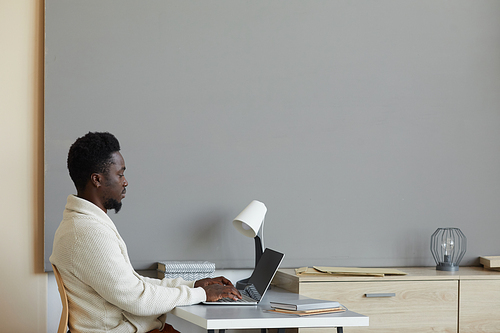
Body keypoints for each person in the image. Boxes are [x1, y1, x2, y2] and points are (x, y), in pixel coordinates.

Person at [50, 132, 241, 333]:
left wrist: (193, 284)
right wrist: (202, 294)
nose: (125, 182)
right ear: (97, 179)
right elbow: (138, 299)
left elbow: (133, 284)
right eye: (120, 174)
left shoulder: (82, 223)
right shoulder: (87, 233)